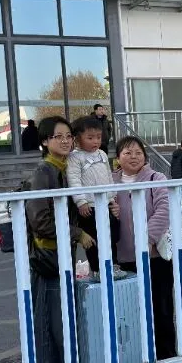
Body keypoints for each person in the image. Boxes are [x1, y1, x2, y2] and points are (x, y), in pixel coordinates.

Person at [25, 116, 91, 363]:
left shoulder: (65, 169)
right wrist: (77, 233)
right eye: (58, 136)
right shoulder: (44, 171)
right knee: (47, 326)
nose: (66, 141)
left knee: (63, 323)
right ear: (44, 141)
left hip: (62, 257)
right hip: (47, 259)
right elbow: (40, 221)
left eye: (68, 136)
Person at [113, 135, 180, 363]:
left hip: (154, 257)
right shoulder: (109, 182)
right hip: (124, 259)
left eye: (138, 152)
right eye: (127, 152)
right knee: (130, 312)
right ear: (117, 158)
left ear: (145, 156)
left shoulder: (156, 178)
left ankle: (167, 361)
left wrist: (147, 239)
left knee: (161, 308)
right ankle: (137, 362)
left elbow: (164, 209)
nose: (133, 157)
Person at [67, 116, 121, 274]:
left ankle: (113, 264)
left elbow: (109, 176)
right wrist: (81, 201)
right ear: (77, 139)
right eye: (90, 138)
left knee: (112, 234)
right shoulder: (75, 157)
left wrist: (112, 197)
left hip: (106, 203)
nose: (95, 141)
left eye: (98, 137)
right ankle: (97, 269)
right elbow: (74, 180)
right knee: (93, 239)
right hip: (89, 207)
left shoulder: (102, 154)